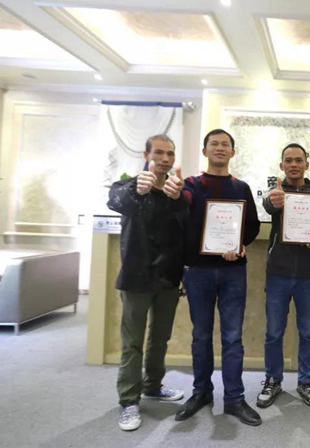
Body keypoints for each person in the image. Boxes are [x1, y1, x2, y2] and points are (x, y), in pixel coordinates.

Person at [175, 129, 262, 426]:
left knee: (232, 337)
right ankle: (201, 392)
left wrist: (239, 244)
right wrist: (174, 192)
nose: (220, 148)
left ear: (233, 152)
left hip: (232, 271)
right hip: (197, 271)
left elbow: (251, 227)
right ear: (205, 151)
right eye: (214, 144)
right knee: (201, 336)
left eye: (225, 144)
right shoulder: (191, 185)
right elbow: (181, 211)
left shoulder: (241, 188)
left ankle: (234, 398)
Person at [106, 134, 187, 431]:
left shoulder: (176, 191)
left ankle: (153, 385)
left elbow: (186, 229)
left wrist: (179, 201)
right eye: (159, 153)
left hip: (168, 277)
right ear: (146, 155)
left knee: (160, 337)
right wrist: (137, 190)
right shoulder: (128, 186)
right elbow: (116, 202)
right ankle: (129, 400)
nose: (165, 159)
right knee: (132, 342)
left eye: (170, 154)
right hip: (136, 277)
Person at [256, 143, 310, 408]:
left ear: (306, 165)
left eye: (298, 160)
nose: (293, 165)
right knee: (273, 332)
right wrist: (272, 201)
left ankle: (306, 381)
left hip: (308, 274)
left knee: (308, 332)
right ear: (282, 165)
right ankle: (273, 380)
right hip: (277, 272)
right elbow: (269, 205)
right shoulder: (276, 192)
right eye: (288, 160)